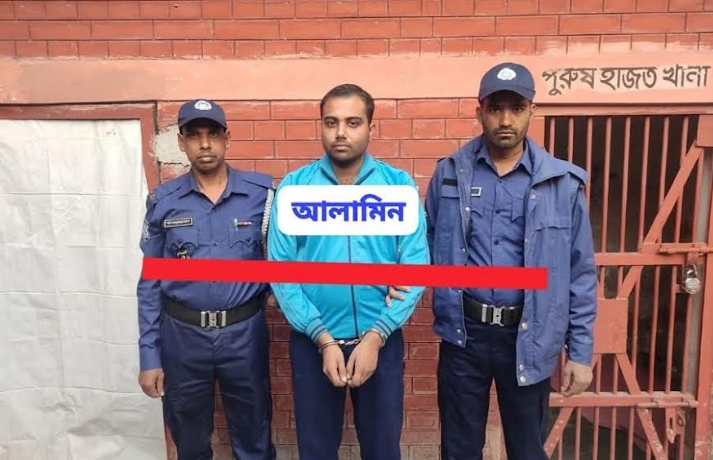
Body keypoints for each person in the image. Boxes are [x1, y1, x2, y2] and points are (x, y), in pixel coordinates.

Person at [425, 62, 598, 460]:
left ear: (531, 110)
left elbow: (579, 273)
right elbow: (429, 241)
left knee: (526, 449)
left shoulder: (562, 184)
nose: (506, 120)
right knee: (458, 449)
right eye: (495, 108)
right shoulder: (450, 174)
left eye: (516, 108)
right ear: (480, 112)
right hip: (464, 334)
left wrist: (580, 353)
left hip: (529, 336)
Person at [267, 83, 430, 460]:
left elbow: (416, 265)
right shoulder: (295, 188)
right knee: (317, 451)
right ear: (321, 126)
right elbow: (282, 271)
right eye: (332, 122)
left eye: (353, 122)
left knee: (382, 450)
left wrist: (376, 337)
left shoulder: (397, 186)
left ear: (371, 127)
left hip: (380, 342)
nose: (341, 132)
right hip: (313, 342)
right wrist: (322, 338)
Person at [136, 99, 277, 460]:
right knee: (190, 440)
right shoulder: (163, 201)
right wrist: (150, 355)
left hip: (244, 335)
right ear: (181, 142)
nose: (204, 144)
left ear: (226, 137)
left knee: (254, 436)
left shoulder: (262, 196)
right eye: (194, 135)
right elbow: (150, 283)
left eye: (212, 134)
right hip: (183, 338)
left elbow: (284, 255)